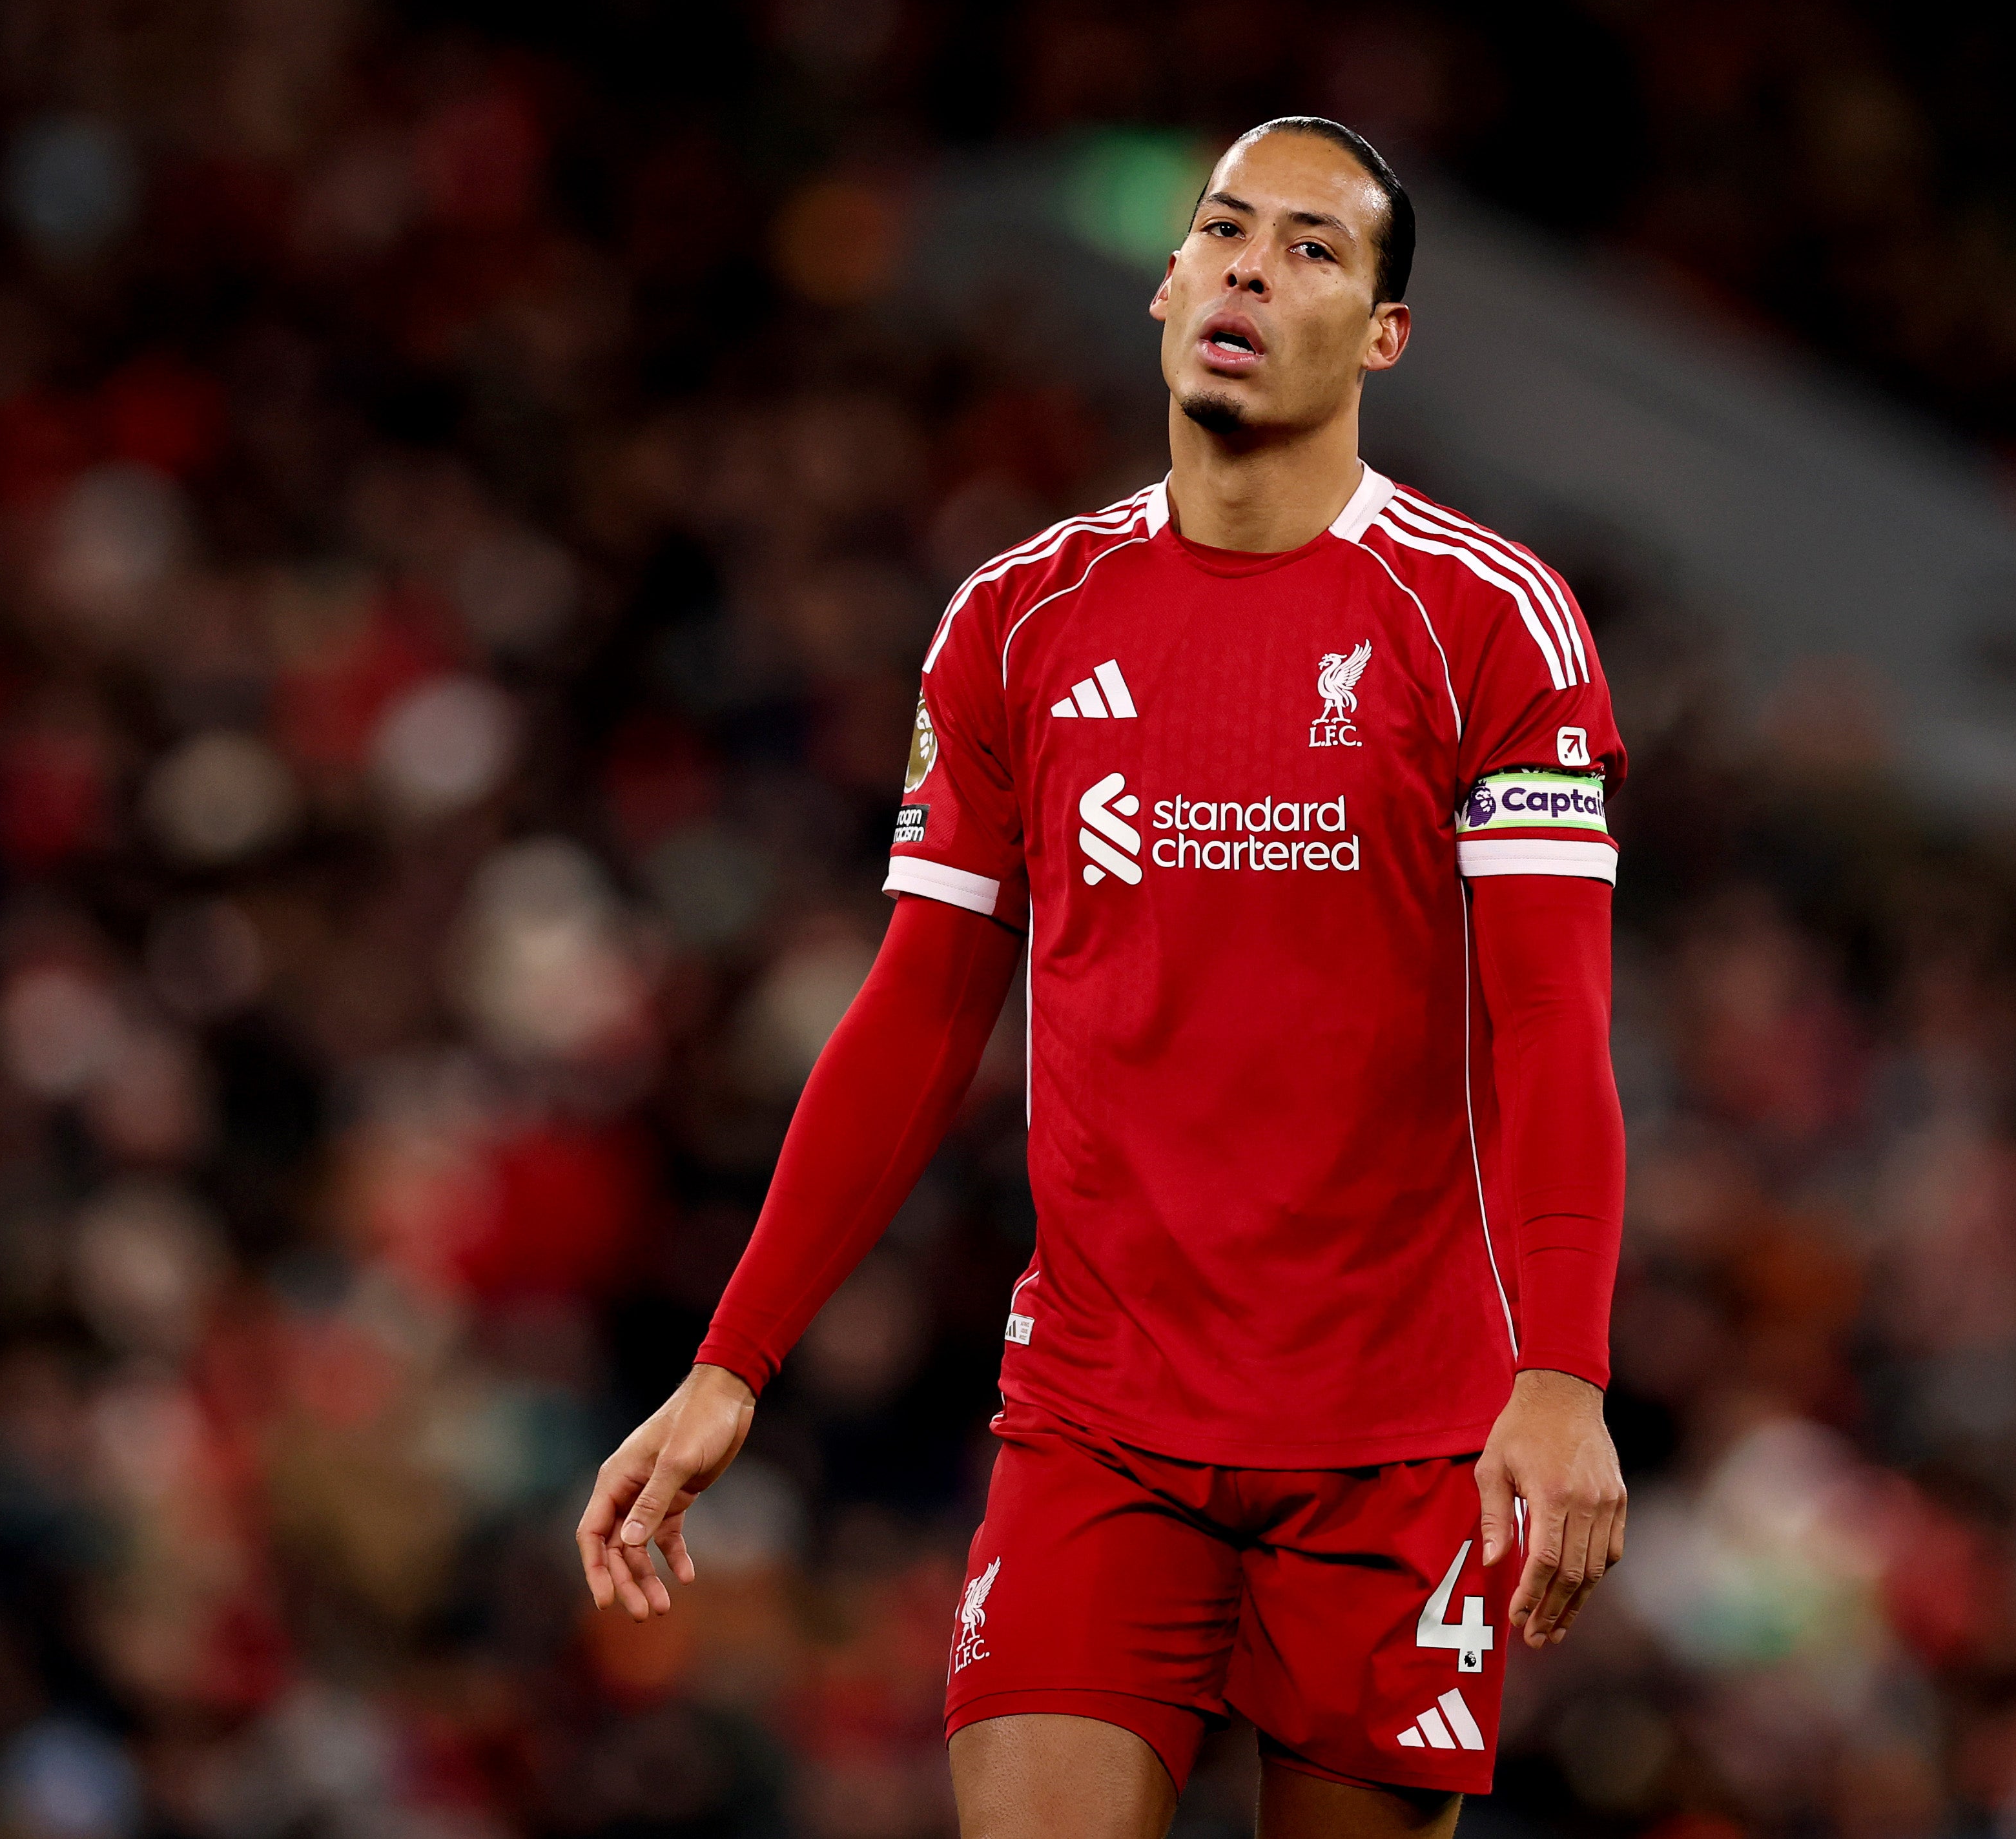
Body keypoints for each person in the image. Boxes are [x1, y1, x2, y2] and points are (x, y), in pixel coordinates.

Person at [577, 117, 1630, 1839]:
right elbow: (919, 1010)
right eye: (1223, 231)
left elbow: (1552, 1028)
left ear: (1383, 336)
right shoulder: (1018, 618)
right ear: (1162, 284)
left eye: (1310, 250)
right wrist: (732, 1359)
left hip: (1397, 1435)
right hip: (1103, 1423)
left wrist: (1564, 1378)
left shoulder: (1492, 624)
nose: (1247, 267)